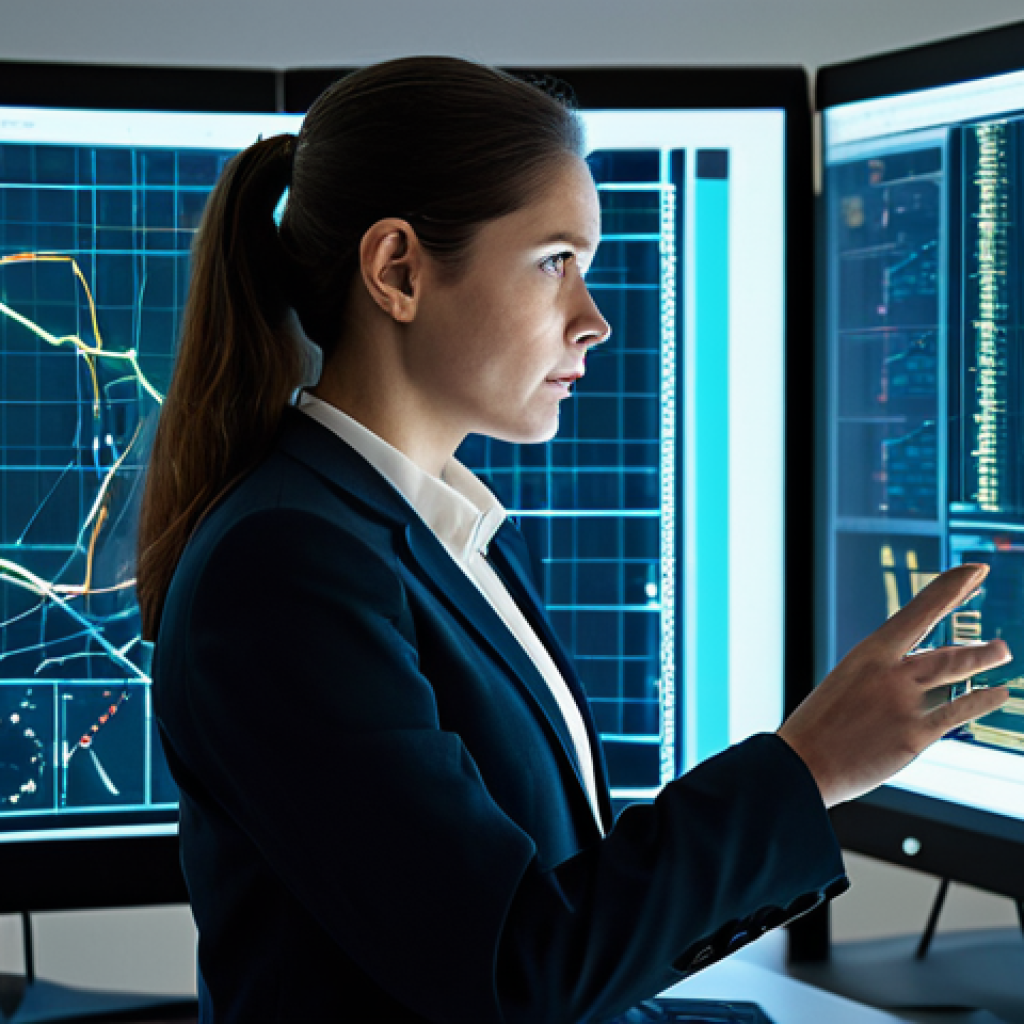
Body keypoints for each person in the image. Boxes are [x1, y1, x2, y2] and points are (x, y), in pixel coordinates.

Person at [137, 56, 1012, 1024]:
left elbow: (540, 937)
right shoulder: (290, 567)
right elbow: (513, 976)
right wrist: (805, 768)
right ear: (398, 270)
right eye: (555, 259)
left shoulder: (439, 535)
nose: (592, 321)